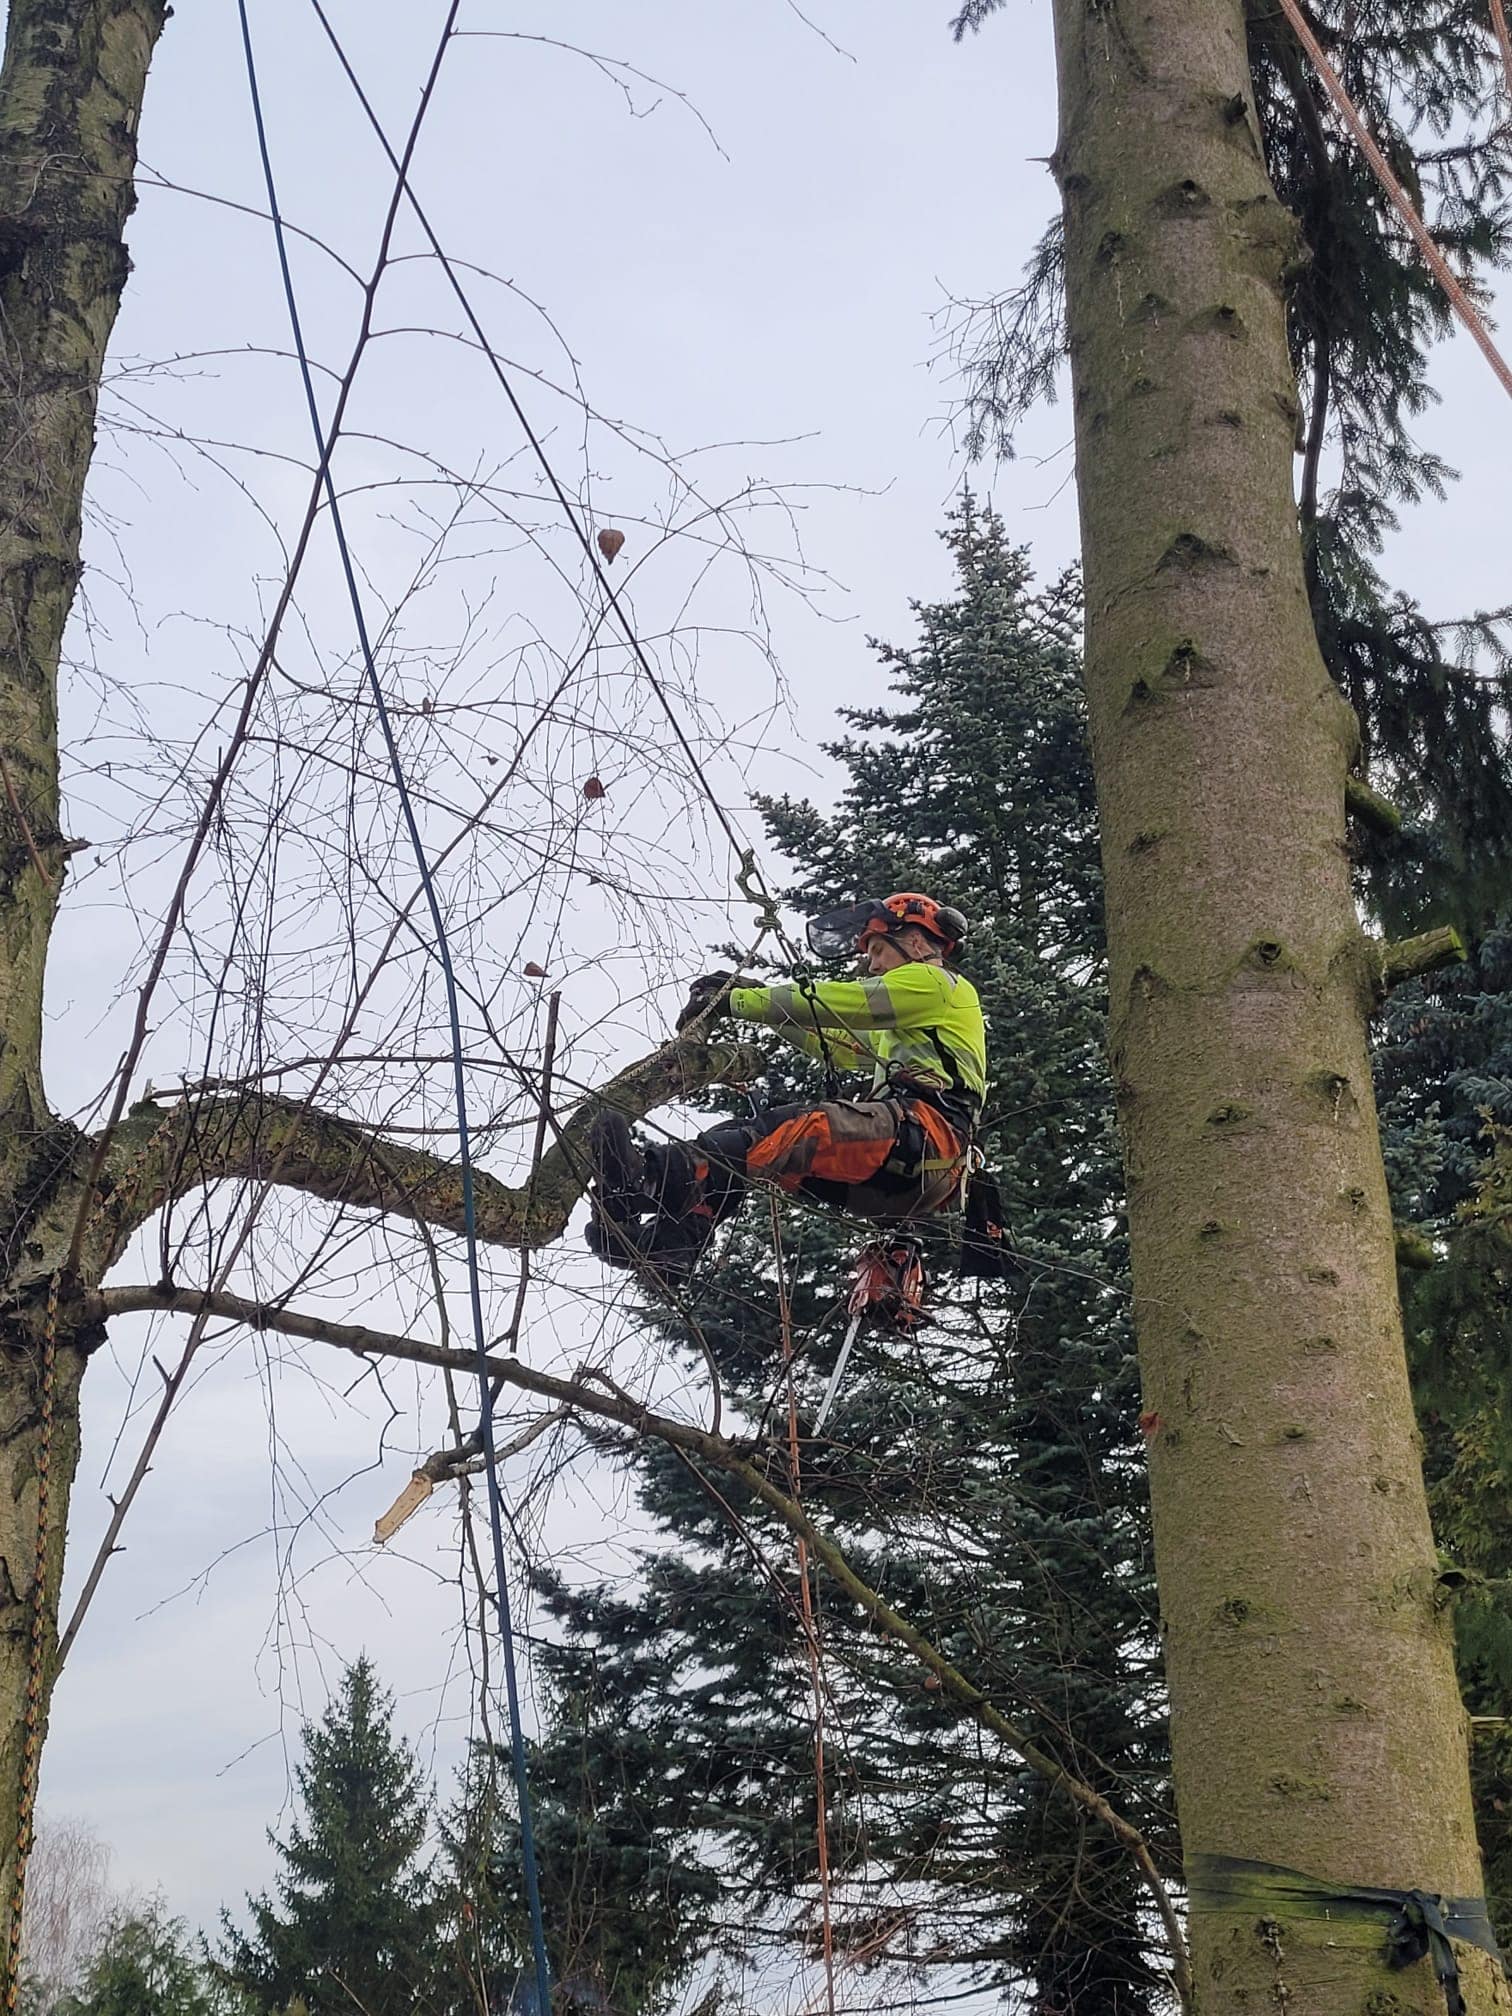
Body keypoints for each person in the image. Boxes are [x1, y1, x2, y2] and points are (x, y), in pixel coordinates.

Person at [586, 892, 987, 1286]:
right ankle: (671, 1242)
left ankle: (648, 1181)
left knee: (794, 1129)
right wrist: (753, 993)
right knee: (745, 1144)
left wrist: (738, 1001)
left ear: (915, 941)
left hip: (927, 1141)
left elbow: (846, 1003)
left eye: (879, 950)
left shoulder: (935, 982)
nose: (872, 964)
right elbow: (832, 1041)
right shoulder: (912, 1026)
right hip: (903, 1176)